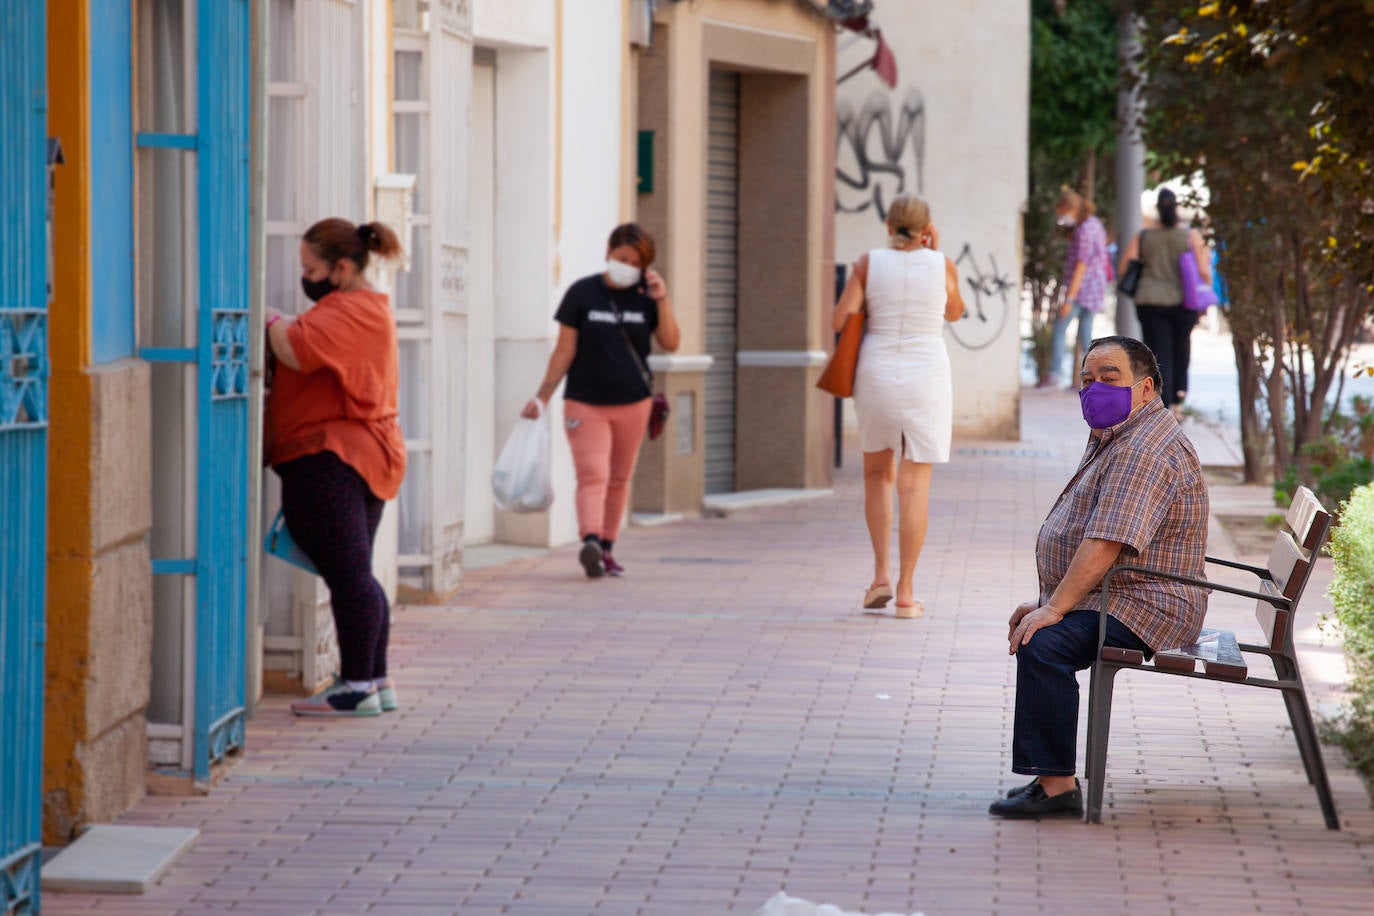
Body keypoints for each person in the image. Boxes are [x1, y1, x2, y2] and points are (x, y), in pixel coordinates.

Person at [988, 336, 1208, 819]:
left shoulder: (1143, 450)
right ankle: (1053, 780)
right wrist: (1055, 598)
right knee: (1043, 632)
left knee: (1044, 644)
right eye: (1087, 380)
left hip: (1150, 604)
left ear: (1146, 388)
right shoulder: (1123, 431)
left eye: (1110, 378)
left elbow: (1106, 542)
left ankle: (1058, 788)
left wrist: (1056, 606)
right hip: (1126, 592)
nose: (1095, 389)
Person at [265, 218, 407, 718]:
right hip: (360, 457)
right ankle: (375, 679)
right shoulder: (362, 308)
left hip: (334, 457)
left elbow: (294, 347)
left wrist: (265, 321)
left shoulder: (351, 308)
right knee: (356, 576)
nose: (304, 276)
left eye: (310, 268)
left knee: (350, 579)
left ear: (340, 269)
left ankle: (358, 684)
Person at [832, 194, 965, 619]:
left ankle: (880, 576)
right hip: (927, 375)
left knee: (877, 475)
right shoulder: (942, 264)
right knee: (914, 485)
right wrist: (936, 251)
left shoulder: (868, 263)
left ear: (888, 225)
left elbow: (839, 320)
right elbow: (955, 312)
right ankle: (907, 593)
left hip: (877, 372)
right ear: (927, 227)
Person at [523, 223, 681, 578]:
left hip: (634, 403)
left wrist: (663, 299)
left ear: (645, 266)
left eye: (634, 262)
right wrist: (542, 396)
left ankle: (607, 548)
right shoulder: (582, 294)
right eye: (621, 257)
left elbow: (671, 342)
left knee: (619, 478)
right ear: (608, 253)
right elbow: (564, 351)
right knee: (593, 473)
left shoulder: (646, 298)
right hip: (585, 401)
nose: (625, 265)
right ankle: (590, 540)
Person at [1118, 188, 1212, 412]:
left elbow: (1124, 266)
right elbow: (1203, 270)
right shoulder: (1190, 235)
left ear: (1158, 211)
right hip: (1183, 301)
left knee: (1157, 351)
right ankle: (1178, 398)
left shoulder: (1144, 236)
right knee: (1181, 347)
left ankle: (1162, 400)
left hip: (1149, 300)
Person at [1049, 188, 1109, 388]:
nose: (1061, 217)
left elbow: (1081, 266)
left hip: (1082, 289)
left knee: (1060, 328)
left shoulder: (1084, 230)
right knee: (1086, 334)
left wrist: (1068, 299)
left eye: (1062, 212)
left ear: (1070, 208)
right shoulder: (1095, 224)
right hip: (1096, 288)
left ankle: (1055, 374)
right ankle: (1093, 380)